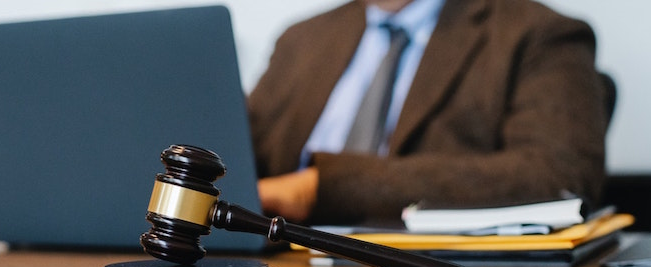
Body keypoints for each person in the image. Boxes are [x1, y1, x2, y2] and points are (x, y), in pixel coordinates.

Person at [248, 0, 610, 225]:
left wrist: (322, 188)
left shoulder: (538, 33)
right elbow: (238, 152)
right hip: (277, 264)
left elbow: (558, 174)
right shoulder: (301, 40)